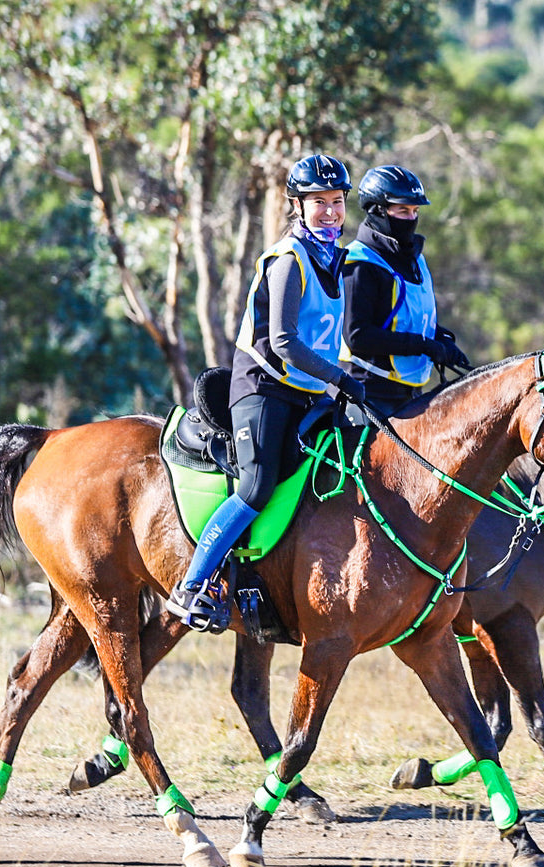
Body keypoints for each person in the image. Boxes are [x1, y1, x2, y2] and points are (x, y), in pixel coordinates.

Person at [165, 154, 367, 631]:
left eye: (337, 202)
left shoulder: (333, 259)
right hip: (262, 390)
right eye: (319, 203)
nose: (331, 212)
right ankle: (192, 584)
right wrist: (339, 378)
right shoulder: (288, 260)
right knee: (256, 487)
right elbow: (284, 342)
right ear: (297, 205)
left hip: (307, 393)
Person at [340, 165, 469, 417]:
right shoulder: (359, 264)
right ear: (378, 211)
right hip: (369, 396)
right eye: (402, 211)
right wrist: (422, 345)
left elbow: (409, 321)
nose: (411, 219)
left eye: (415, 211)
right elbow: (357, 336)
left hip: (411, 394)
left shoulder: (416, 260)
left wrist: (440, 340)